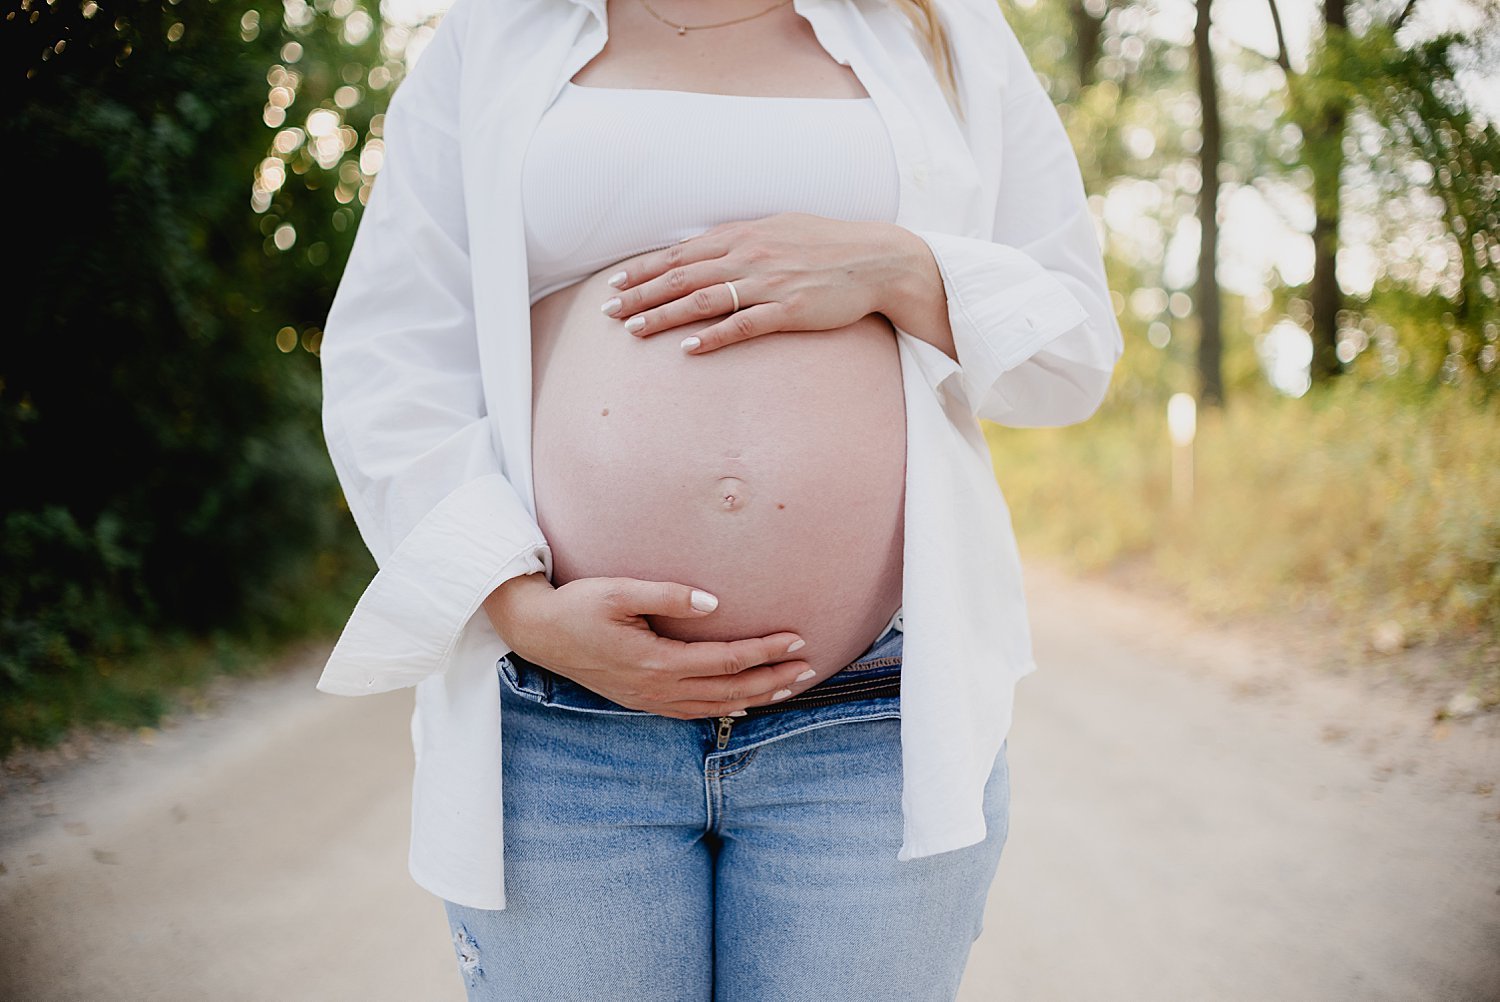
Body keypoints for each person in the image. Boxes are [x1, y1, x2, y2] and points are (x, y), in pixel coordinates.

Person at [315, 0, 1122, 996]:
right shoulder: (501, 30)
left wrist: (896, 268)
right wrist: (521, 612)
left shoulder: (936, 26)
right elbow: (392, 358)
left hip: (870, 724)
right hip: (566, 719)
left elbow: (1072, 351)